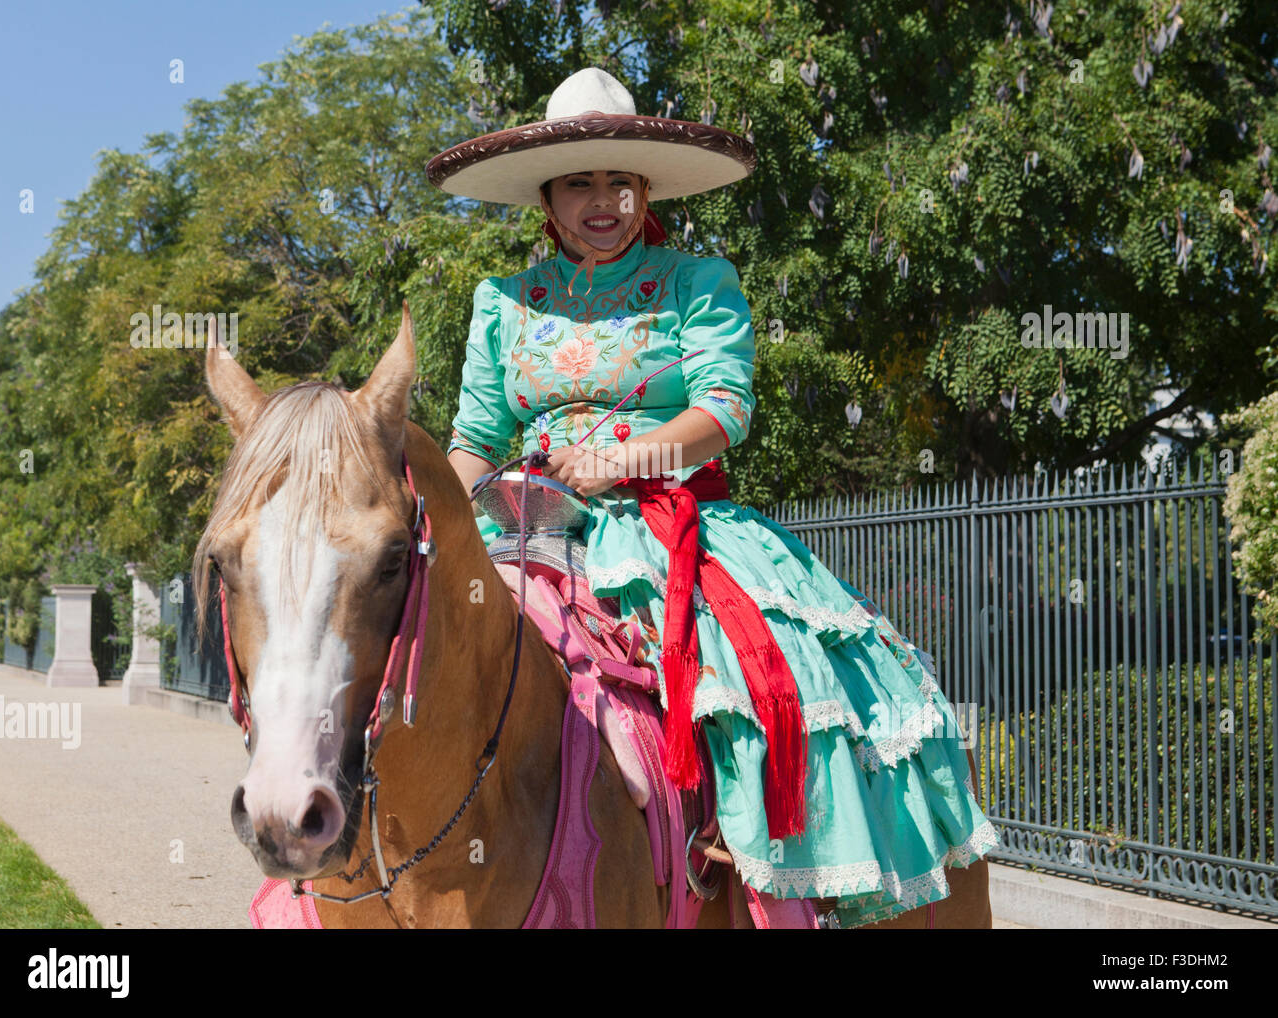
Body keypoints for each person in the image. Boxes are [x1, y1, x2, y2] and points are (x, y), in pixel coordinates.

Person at [427, 67, 1000, 926]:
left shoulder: (699, 280)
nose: (602, 200)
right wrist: (431, 519)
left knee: (759, 677)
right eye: (580, 181)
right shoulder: (503, 302)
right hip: (529, 525)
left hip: (670, 525)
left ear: (645, 186)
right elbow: (475, 438)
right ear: (545, 194)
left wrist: (627, 459)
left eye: (619, 181)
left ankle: (744, 861)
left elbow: (725, 408)